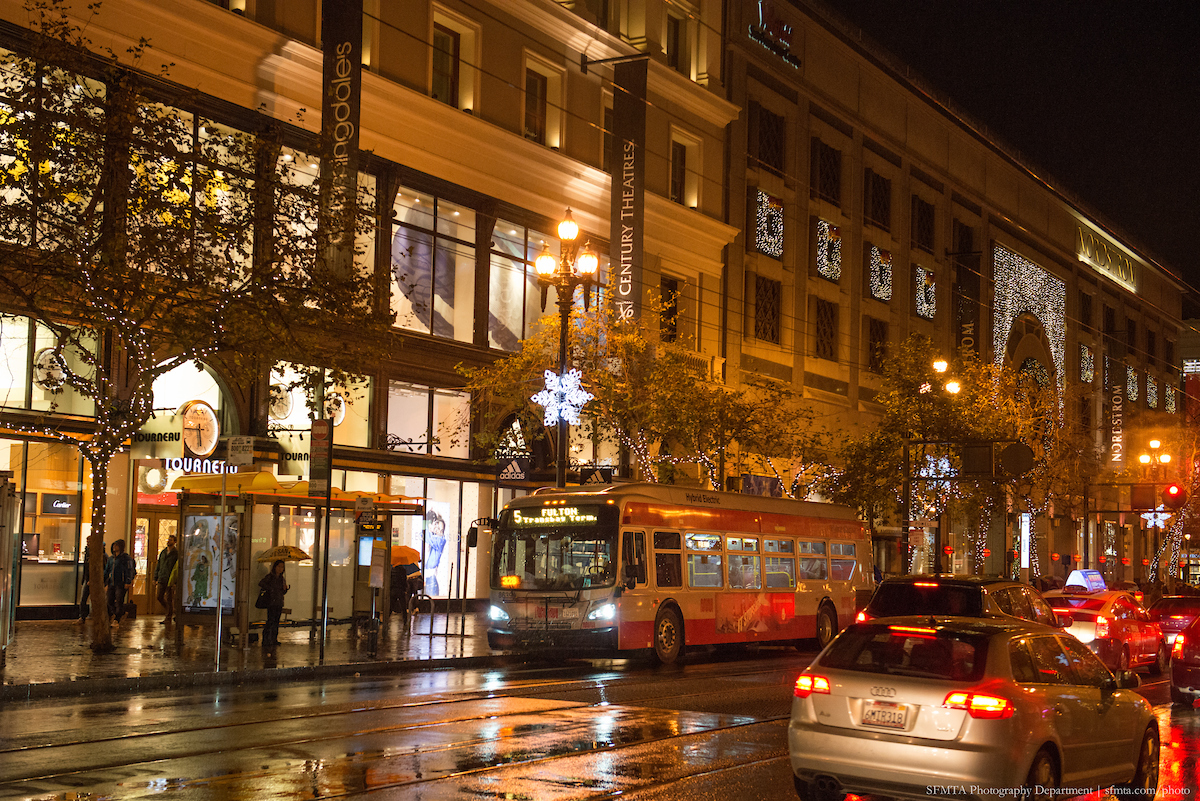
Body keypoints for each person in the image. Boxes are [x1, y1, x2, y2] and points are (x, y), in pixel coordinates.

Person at [259, 559, 290, 656]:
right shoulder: (270, 577)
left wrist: (285, 589)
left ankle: (274, 638)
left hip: (279, 602)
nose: (280, 569)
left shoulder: (282, 578)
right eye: (279, 566)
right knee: (270, 620)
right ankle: (266, 639)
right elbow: (261, 583)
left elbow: (282, 592)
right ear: (275, 567)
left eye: (282, 567)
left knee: (276, 621)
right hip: (271, 602)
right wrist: (271, 589)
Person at [104, 540, 136, 629]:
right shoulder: (111, 559)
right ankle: (118, 614)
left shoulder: (125, 558)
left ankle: (117, 619)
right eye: (114, 545)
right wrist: (105, 581)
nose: (114, 547)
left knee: (119, 600)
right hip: (112, 583)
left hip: (121, 583)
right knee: (109, 600)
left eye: (117, 545)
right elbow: (107, 570)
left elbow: (130, 570)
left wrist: (128, 581)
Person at [154, 534, 179, 623]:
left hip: (170, 579)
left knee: (169, 598)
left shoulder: (176, 553)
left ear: (174, 542)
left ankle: (168, 617)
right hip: (162, 577)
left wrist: (174, 580)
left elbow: (176, 568)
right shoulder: (163, 552)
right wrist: (155, 577)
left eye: (171, 540)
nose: (169, 541)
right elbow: (159, 565)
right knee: (159, 597)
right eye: (168, 539)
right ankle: (170, 611)